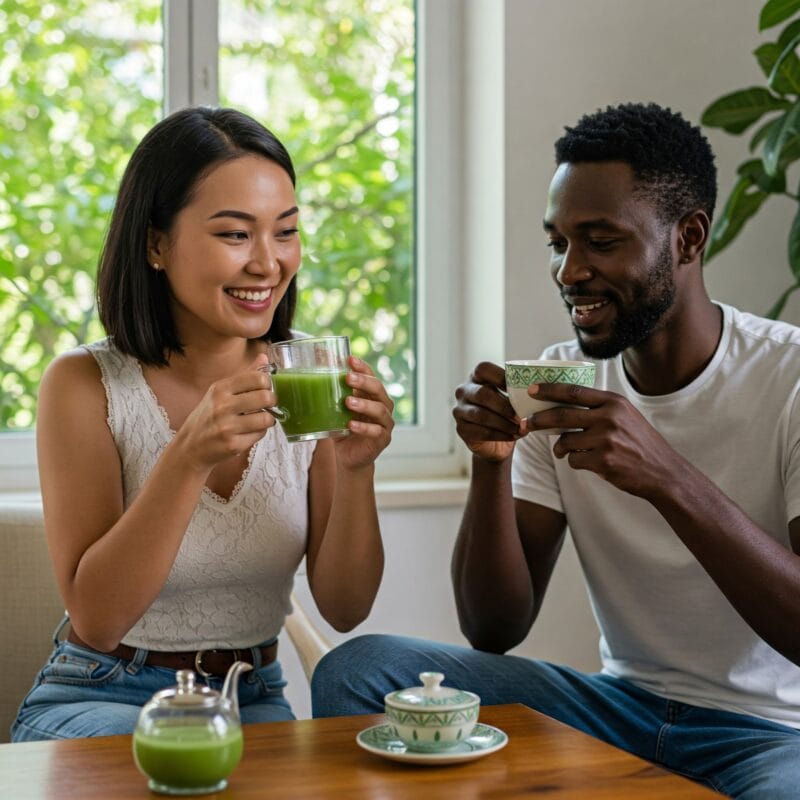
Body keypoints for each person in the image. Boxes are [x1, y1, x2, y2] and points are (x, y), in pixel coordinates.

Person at [310, 102, 800, 798]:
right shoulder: (558, 382)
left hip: (773, 737)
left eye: (600, 241)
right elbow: (493, 629)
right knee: (357, 672)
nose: (569, 271)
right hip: (614, 713)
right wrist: (491, 462)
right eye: (558, 242)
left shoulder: (789, 379)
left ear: (688, 240)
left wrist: (666, 477)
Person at [11, 106, 394, 741]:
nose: (268, 264)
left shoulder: (309, 378)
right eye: (235, 235)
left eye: (286, 231)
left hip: (251, 698)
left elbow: (346, 609)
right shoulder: (83, 385)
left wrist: (355, 471)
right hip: (105, 694)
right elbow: (99, 619)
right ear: (156, 243)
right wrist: (185, 459)